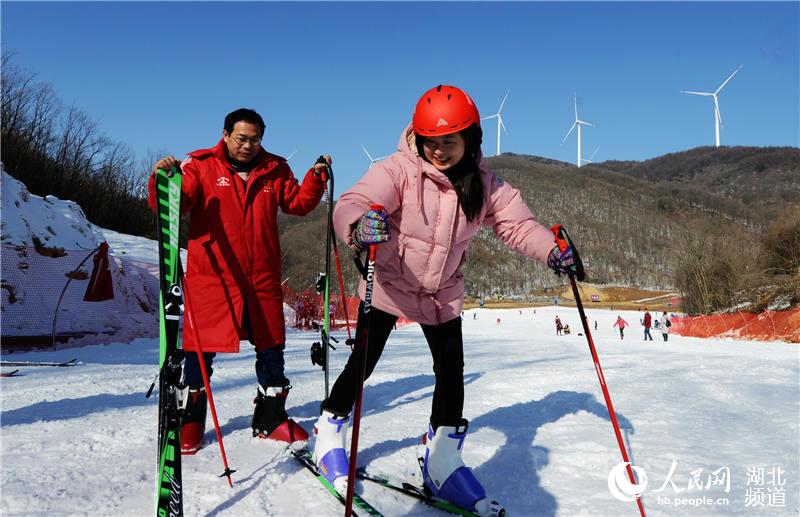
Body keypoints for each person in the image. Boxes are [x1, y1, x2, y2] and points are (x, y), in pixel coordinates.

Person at [311, 85, 581, 515]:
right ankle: (329, 427)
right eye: (430, 142)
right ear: (418, 139)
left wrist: (552, 249)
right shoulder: (399, 170)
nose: (439, 151)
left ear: (470, 139)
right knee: (363, 360)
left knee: (451, 373)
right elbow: (354, 201)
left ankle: (441, 457)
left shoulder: (485, 184)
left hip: (441, 293)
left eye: (449, 142)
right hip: (389, 285)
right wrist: (360, 225)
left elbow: (517, 225)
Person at [148, 108, 329, 454]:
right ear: (226, 134)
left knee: (271, 344)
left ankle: (270, 417)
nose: (248, 145)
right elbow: (175, 204)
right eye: (242, 138)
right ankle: (191, 417)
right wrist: (163, 180)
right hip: (214, 275)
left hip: (261, 276)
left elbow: (297, 203)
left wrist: (315, 179)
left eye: (255, 139)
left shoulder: (275, 169)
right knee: (200, 350)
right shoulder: (200, 165)